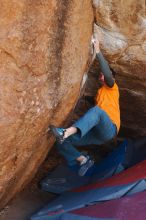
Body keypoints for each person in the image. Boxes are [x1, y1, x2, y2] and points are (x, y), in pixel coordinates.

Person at [49, 39, 120, 176]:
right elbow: (92, 104)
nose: (101, 76)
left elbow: (107, 75)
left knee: (97, 112)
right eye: (100, 75)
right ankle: (82, 159)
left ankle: (66, 132)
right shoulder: (100, 93)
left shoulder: (113, 88)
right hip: (98, 135)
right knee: (60, 142)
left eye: (104, 75)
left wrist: (97, 50)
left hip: (110, 128)